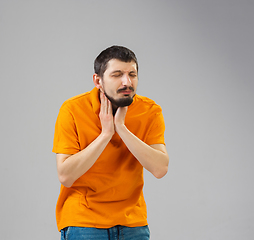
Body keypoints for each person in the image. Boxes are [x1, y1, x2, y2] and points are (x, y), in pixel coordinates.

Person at [52, 45, 169, 240]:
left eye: (132, 74)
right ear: (98, 80)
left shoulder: (149, 111)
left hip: (133, 223)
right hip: (84, 222)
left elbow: (160, 168)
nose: (127, 82)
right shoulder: (72, 109)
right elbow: (65, 175)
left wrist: (121, 128)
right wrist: (106, 134)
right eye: (117, 75)